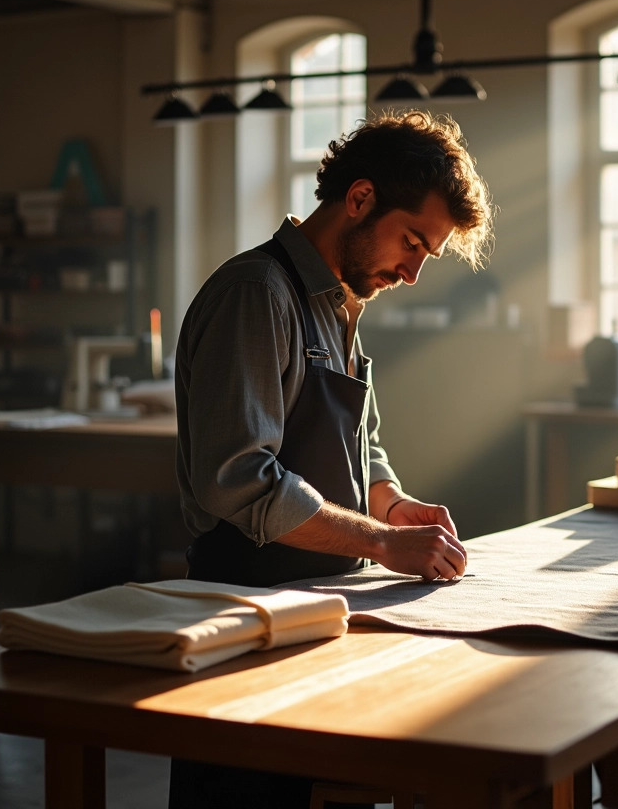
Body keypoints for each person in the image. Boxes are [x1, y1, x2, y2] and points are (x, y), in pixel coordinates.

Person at [168, 110, 495, 808]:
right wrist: (383, 541)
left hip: (320, 608)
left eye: (425, 256)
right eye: (411, 243)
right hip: (245, 618)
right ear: (360, 199)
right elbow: (240, 483)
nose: (410, 272)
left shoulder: (339, 303)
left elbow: (358, 443)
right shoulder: (257, 294)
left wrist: (389, 500)